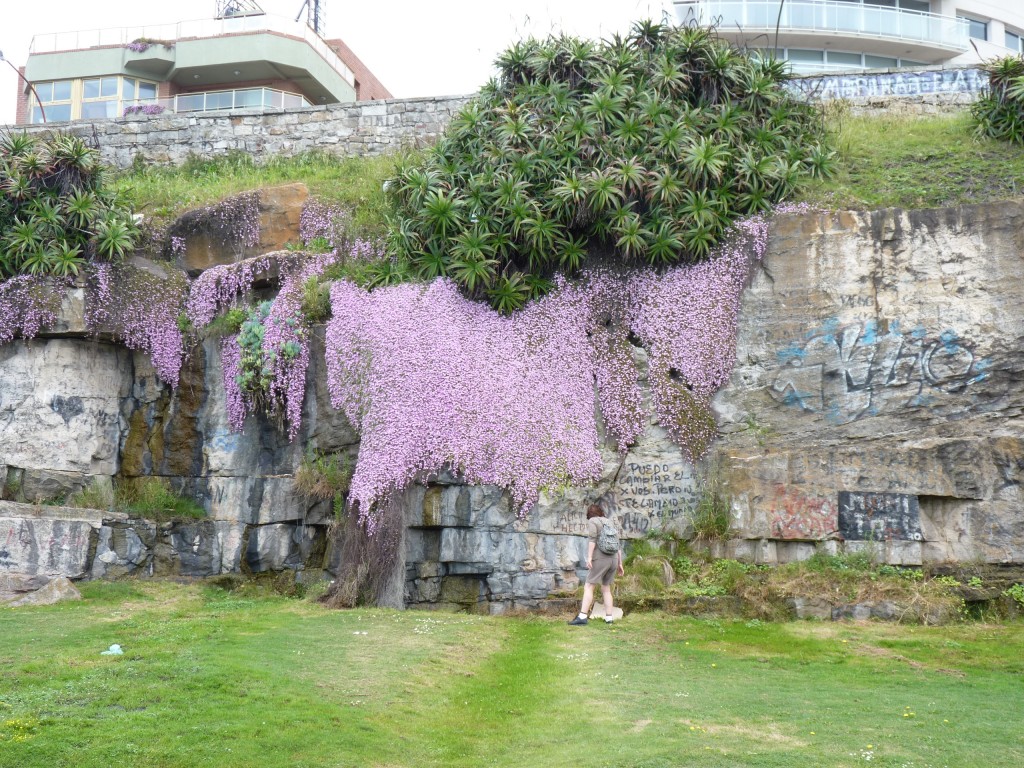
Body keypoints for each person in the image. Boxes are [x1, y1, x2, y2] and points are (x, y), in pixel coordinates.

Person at [568, 503, 624, 626]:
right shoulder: (609, 522)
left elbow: (592, 540)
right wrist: (620, 563)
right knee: (606, 588)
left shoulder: (593, 521)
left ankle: (582, 617)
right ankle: (609, 618)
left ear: (590, 514)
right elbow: (617, 544)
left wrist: (589, 558)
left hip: (601, 558)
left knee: (589, 586)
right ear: (601, 512)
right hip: (614, 559)